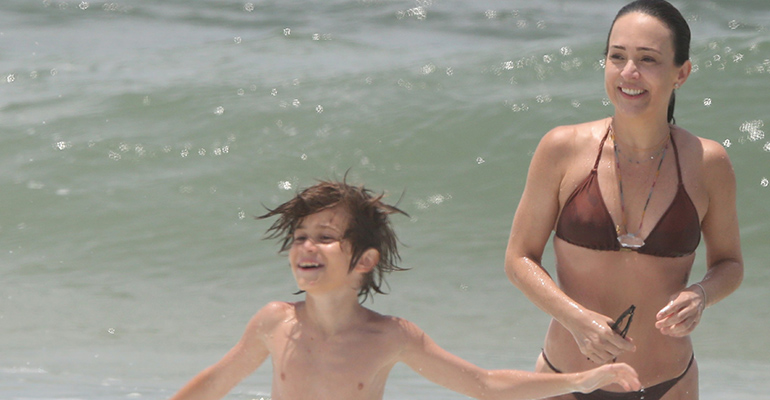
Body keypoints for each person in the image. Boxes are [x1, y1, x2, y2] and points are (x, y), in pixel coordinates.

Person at [170, 179, 640, 400]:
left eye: (326, 237)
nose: (306, 247)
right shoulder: (274, 321)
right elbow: (214, 384)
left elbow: (483, 383)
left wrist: (582, 380)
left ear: (365, 260)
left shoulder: (391, 337)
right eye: (299, 238)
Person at [504, 0, 744, 399]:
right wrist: (576, 319)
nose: (629, 72)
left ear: (681, 73)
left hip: (669, 383)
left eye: (648, 59)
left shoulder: (707, 162)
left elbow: (730, 264)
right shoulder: (563, 149)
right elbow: (518, 259)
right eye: (617, 56)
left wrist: (700, 295)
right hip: (565, 381)